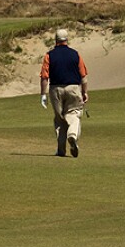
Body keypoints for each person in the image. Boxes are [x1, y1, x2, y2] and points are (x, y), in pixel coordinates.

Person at [40, 28, 88, 158]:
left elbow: (44, 77)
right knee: (74, 114)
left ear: (55, 40)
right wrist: (84, 92)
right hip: (73, 88)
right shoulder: (75, 54)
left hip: (55, 90)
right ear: (67, 39)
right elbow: (83, 76)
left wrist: (43, 94)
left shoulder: (49, 55)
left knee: (60, 119)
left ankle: (61, 150)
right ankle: (72, 135)